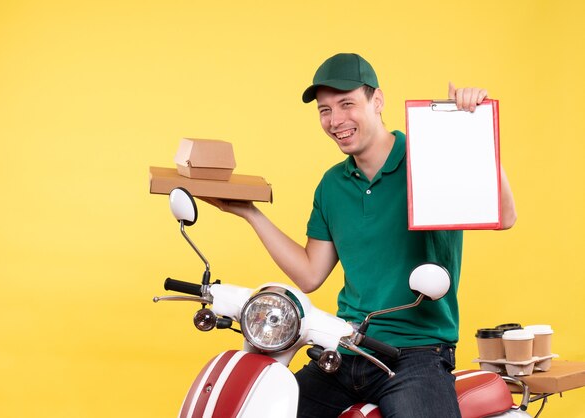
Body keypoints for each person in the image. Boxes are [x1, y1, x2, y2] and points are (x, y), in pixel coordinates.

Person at [204, 53, 517, 418]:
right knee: (267, 408)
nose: (335, 120)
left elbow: (505, 216)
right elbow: (309, 274)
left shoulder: (430, 159)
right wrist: (249, 213)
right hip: (344, 347)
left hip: (416, 354)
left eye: (347, 104)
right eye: (325, 110)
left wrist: (471, 132)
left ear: (378, 101)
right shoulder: (332, 184)